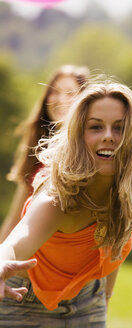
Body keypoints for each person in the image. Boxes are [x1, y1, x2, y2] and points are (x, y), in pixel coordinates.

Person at [0, 81, 132, 327]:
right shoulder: (59, 196)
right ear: (78, 134)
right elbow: (17, 240)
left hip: (89, 300)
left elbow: (114, 244)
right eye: (96, 127)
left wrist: (105, 297)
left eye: (120, 127)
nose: (108, 136)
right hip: (22, 301)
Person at [0, 64, 90, 242]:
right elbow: (15, 217)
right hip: (27, 261)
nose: (59, 99)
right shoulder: (37, 150)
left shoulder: (89, 154)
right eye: (54, 92)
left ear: (84, 101)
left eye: (70, 93)